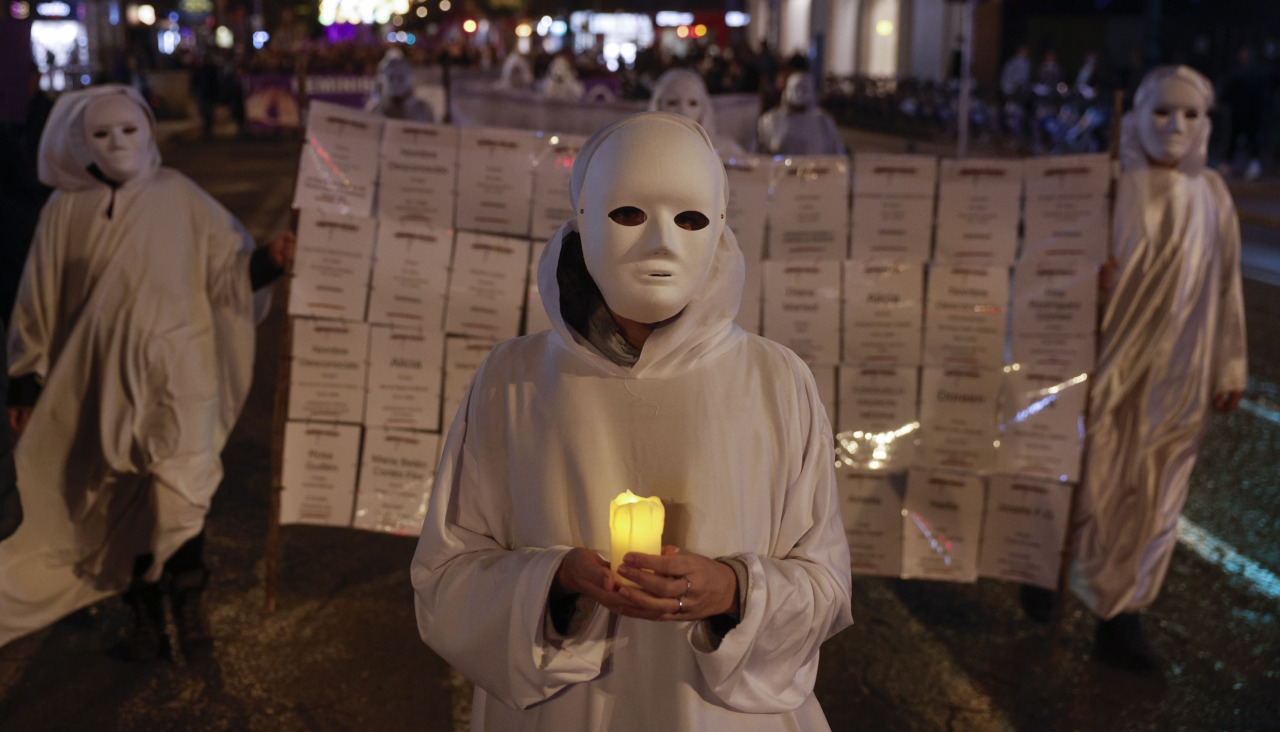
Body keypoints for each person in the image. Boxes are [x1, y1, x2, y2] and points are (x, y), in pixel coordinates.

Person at [411, 111, 852, 730]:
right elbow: (446, 577)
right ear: (583, 221)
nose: (661, 244)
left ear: (720, 227)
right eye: (628, 214)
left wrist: (732, 591)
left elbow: (826, 584)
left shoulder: (776, 384)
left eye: (689, 218)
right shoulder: (512, 382)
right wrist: (556, 582)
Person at [0, 84, 296, 661]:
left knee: (180, 490)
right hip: (97, 385)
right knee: (116, 496)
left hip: (178, 379)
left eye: (129, 131)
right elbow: (36, 300)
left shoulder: (182, 198)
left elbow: (226, 275)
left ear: (149, 132)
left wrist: (269, 260)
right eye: (103, 135)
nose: (117, 144)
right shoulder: (67, 210)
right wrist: (25, 378)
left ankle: (190, 606)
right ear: (82, 141)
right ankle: (143, 613)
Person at [1022, 66, 1247, 674]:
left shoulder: (1213, 197)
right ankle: (1045, 568)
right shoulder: (1108, 188)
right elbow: (1054, 265)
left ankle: (1121, 615)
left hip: (1179, 381)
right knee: (1087, 481)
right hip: (1105, 371)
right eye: (1162, 112)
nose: (1175, 126)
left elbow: (1226, 286)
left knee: (1154, 496)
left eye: (1190, 114)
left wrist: (1230, 367)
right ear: (1136, 116)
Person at [647, 67, 743, 154]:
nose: (683, 112)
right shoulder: (645, 151)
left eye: (693, 103)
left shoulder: (726, 150)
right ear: (658, 105)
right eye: (673, 103)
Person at [755, 71, 845, 156]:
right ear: (787, 91)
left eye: (805, 89)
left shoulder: (824, 121)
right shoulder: (770, 120)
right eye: (796, 88)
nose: (800, 93)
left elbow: (836, 153)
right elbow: (762, 153)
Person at [366, 50, 434, 122]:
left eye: (400, 77)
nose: (395, 83)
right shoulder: (376, 110)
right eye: (391, 78)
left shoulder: (423, 111)